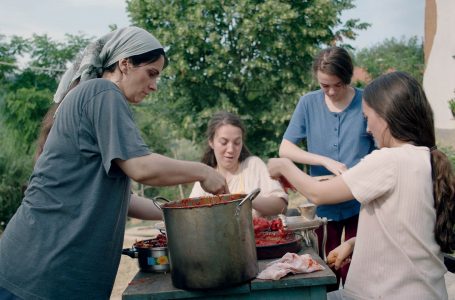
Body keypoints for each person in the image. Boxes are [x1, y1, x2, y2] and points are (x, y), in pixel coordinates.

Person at [0, 26, 229, 299]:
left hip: (39, 273)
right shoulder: (102, 93)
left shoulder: (92, 98)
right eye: (151, 73)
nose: (154, 85)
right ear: (125, 64)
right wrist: (202, 171)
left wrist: (184, 210)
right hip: (42, 273)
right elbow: (141, 167)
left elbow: (125, 200)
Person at [268, 71, 454, 299]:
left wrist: (284, 166)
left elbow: (318, 194)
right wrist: (356, 243)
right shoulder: (426, 158)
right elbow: (408, 230)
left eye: (367, 118)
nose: (367, 129)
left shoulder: (388, 160)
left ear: (385, 116)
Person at [279, 46, 375, 287]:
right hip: (322, 208)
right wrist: (323, 160)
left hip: (362, 204)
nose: (331, 91)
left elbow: (382, 149)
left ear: (348, 77)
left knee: (358, 274)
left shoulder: (369, 101)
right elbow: (286, 149)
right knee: (325, 272)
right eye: (324, 86)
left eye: (338, 84)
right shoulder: (308, 103)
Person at [190, 111, 288, 217]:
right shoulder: (206, 179)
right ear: (211, 142)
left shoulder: (253, 165)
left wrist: (245, 199)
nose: (231, 149)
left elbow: (281, 206)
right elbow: (192, 215)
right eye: (224, 142)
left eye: (237, 142)